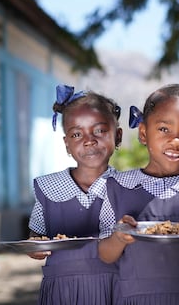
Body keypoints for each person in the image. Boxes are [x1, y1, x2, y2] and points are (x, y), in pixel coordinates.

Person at [98, 83, 179, 305]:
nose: (176, 141)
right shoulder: (116, 188)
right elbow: (105, 254)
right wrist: (118, 238)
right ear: (143, 133)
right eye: (163, 129)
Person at [28, 84, 123, 305]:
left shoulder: (128, 186)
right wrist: (35, 247)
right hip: (62, 291)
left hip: (115, 288)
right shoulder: (48, 187)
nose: (89, 140)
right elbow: (36, 236)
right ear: (67, 144)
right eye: (77, 134)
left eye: (99, 130)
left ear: (117, 136)